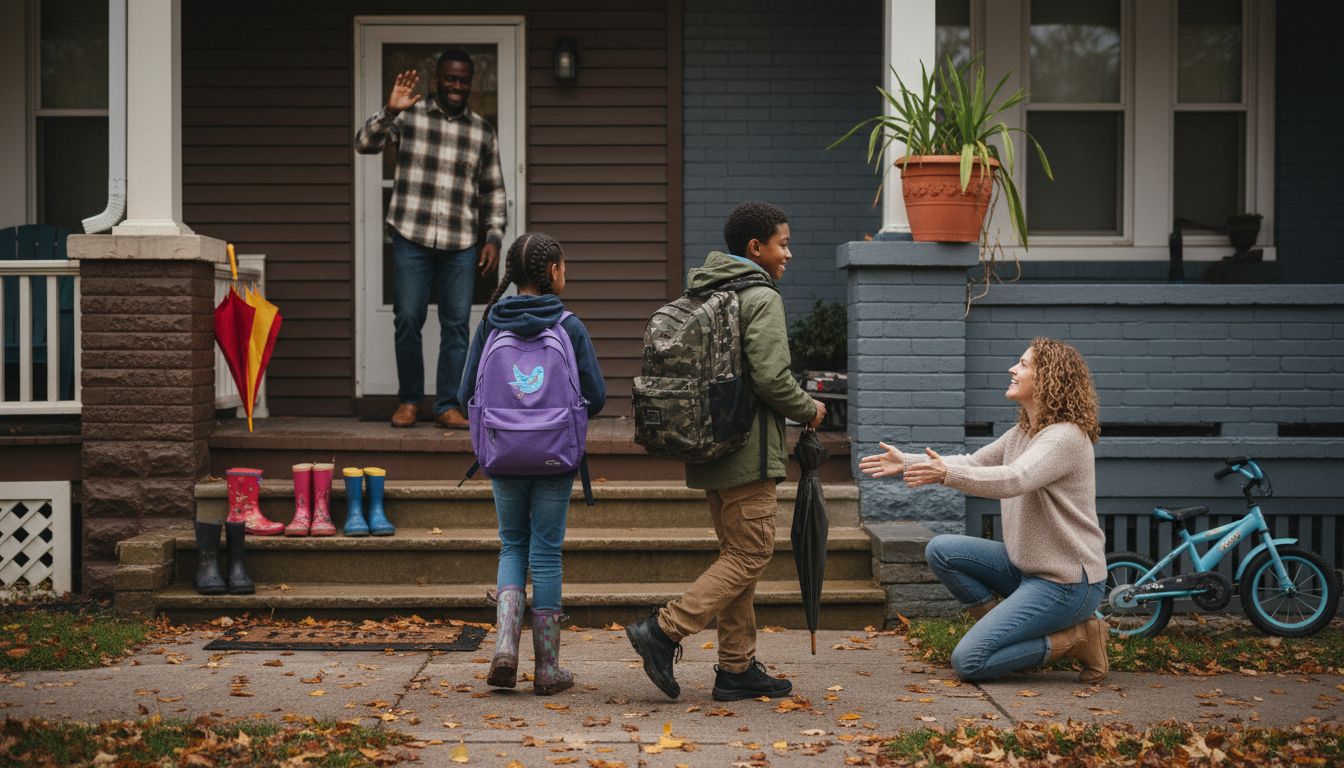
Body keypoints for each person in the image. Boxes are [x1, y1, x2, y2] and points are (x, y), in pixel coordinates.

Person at [625, 202, 826, 702]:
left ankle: (736, 668)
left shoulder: (707, 289)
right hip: (748, 452)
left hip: (711, 449)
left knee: (736, 555)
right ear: (755, 248)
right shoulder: (760, 297)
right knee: (751, 552)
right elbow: (773, 379)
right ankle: (664, 629)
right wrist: (810, 410)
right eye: (783, 243)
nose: (789, 253)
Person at [858, 337, 1109, 683]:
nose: (1012, 369)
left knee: (969, 661)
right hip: (1028, 569)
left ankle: (1077, 638)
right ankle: (1006, 631)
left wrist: (945, 474)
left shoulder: (1063, 437)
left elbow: (1014, 479)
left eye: (1022, 364)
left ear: (1049, 377)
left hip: (1066, 583)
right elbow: (973, 462)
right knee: (942, 550)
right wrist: (908, 462)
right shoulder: (1023, 432)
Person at [459, 232, 606, 696]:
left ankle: (505, 647)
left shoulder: (491, 324)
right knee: (545, 552)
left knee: (511, 546)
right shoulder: (569, 325)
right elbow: (596, 398)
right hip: (555, 456)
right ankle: (548, 669)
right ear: (554, 273)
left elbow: (466, 395)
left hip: (502, 454)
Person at [355, 49, 507, 429]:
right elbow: (364, 144)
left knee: (457, 325)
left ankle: (446, 405)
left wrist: (494, 237)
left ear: (471, 83)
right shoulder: (409, 117)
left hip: (460, 242)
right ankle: (409, 401)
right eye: (450, 78)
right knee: (408, 318)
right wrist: (389, 110)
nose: (457, 85)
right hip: (412, 236)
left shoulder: (482, 131)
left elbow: (493, 191)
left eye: (464, 80)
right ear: (437, 79)